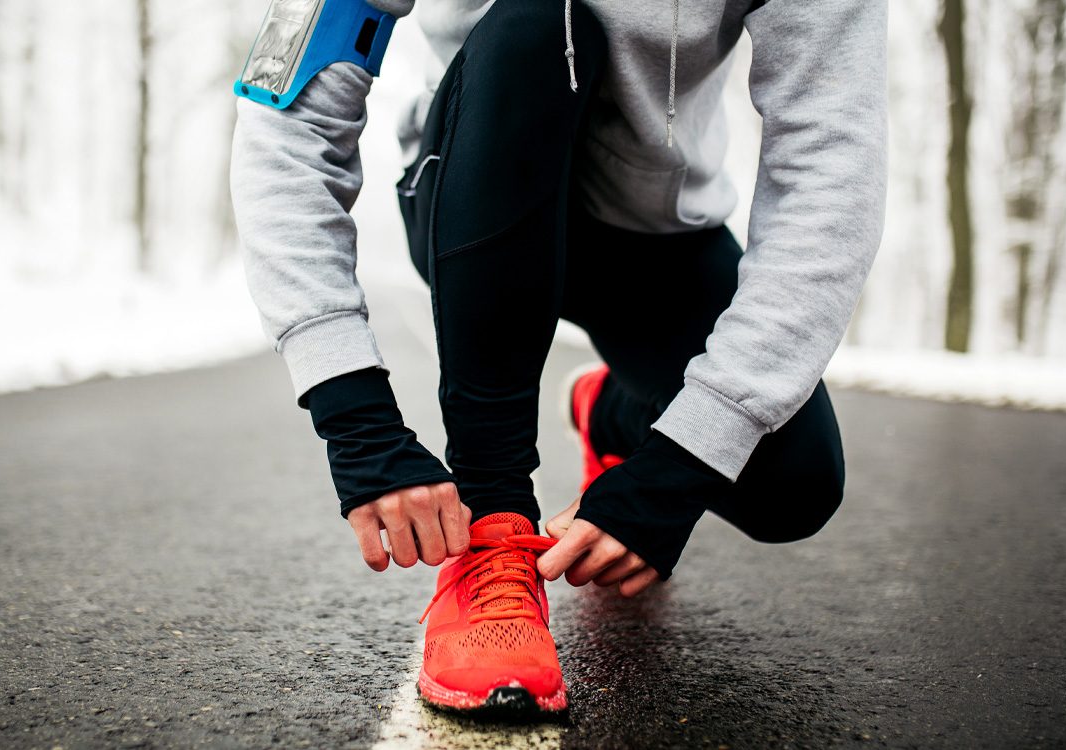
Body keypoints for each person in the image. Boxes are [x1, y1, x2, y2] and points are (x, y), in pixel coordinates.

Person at [229, 0, 887, 718]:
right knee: (539, 22)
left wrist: (682, 462)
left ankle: (613, 413)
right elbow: (287, 123)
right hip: (473, 196)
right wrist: (351, 411)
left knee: (793, 485)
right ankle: (493, 529)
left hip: (652, 235)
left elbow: (829, 165)